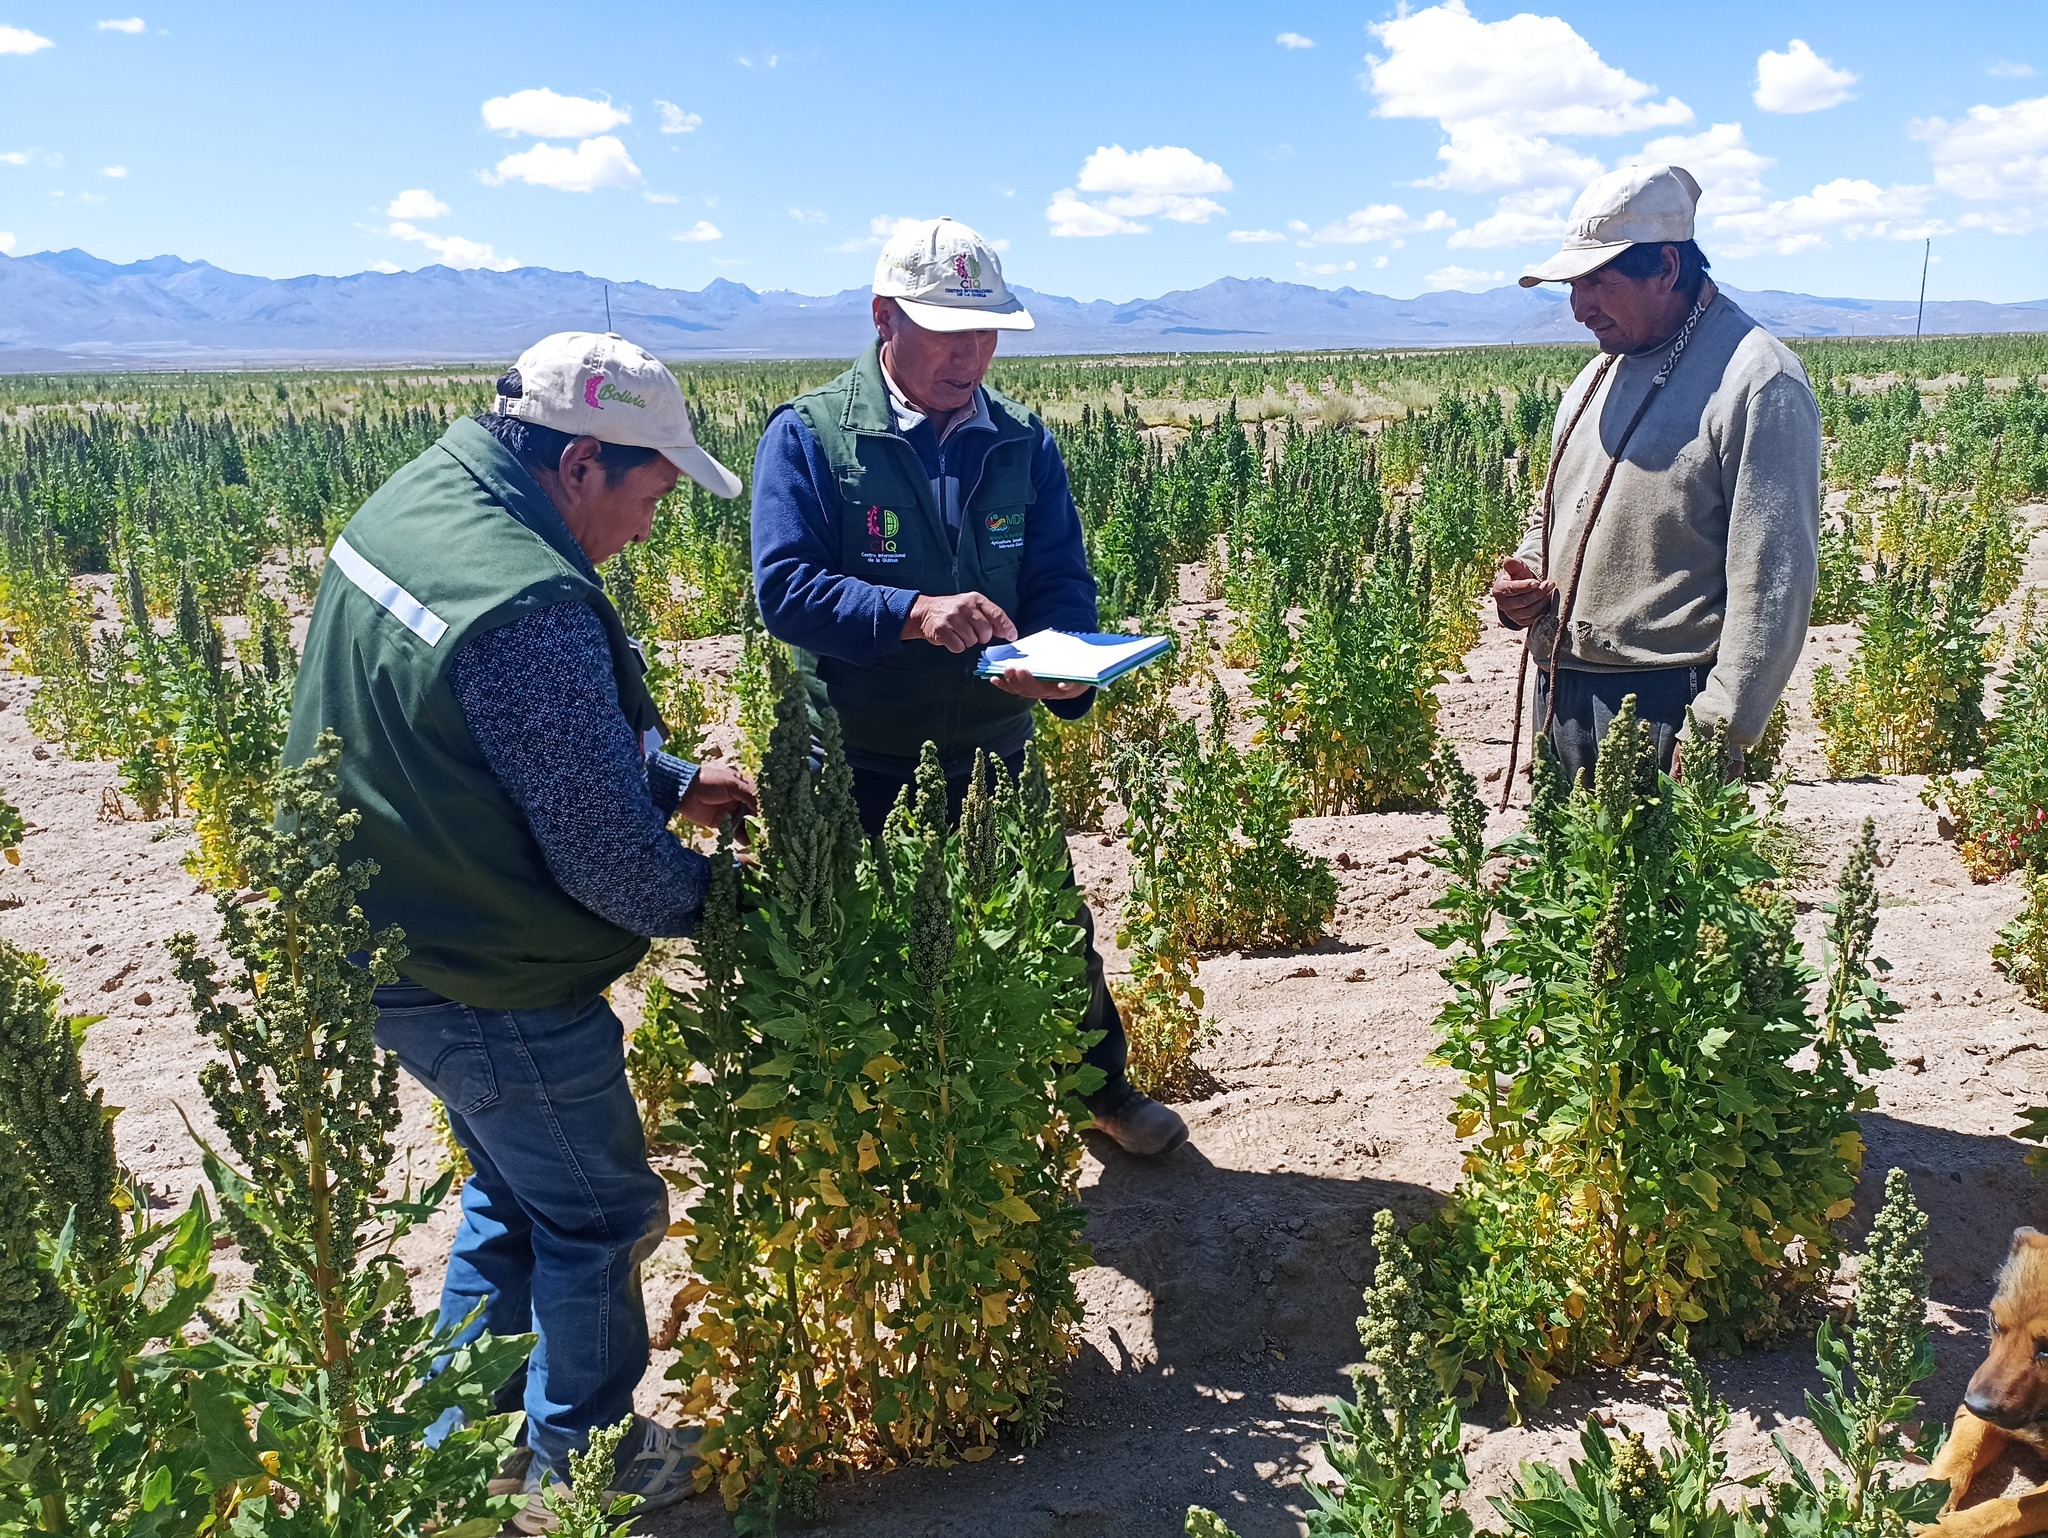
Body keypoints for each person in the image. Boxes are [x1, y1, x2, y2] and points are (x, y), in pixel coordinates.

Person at [283, 332, 757, 1531]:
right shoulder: (523, 598)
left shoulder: (424, 499)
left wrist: (661, 774)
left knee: (514, 1187)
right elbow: (599, 856)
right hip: (482, 968)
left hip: (389, 931)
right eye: (650, 493)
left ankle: (462, 1439)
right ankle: (577, 1462)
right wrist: (732, 909)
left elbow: (481, 731)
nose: (650, 525)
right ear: (582, 460)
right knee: (600, 1212)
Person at [750, 215, 1188, 1159]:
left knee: (1050, 920)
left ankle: (1102, 1093)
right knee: (847, 938)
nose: (971, 355)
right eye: (949, 332)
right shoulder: (812, 437)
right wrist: (910, 612)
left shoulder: (1022, 443)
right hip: (860, 748)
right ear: (883, 319)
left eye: (986, 333)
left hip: (990, 741)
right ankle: (858, 1126)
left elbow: (1061, 583)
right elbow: (783, 590)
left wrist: (1063, 675)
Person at [1492, 163, 1821, 786]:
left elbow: (1774, 582)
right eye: (1571, 286)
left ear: (1667, 267)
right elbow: (1557, 515)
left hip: (1671, 707)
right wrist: (1526, 582)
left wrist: (1719, 728)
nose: (1577, 309)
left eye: (1595, 283)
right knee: (1569, 881)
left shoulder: (1757, 380)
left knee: (1660, 885)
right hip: (1563, 688)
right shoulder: (1596, 376)